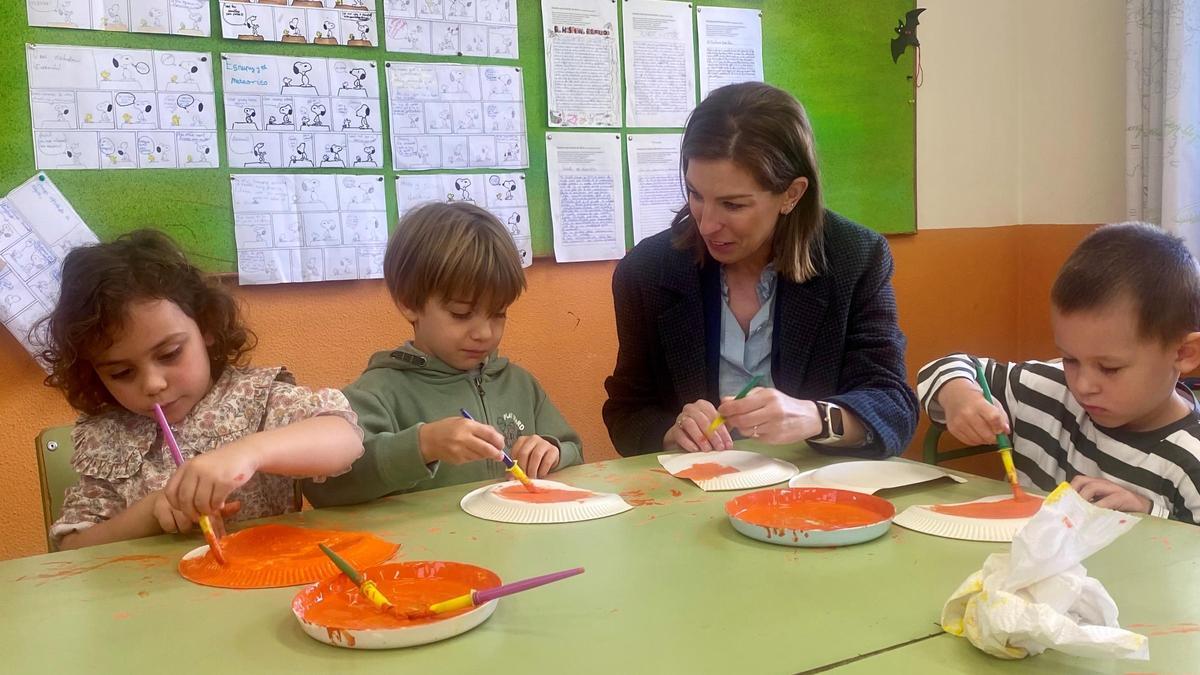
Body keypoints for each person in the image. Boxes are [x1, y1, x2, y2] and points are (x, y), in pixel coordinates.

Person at [603, 82, 917, 457]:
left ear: (791, 195)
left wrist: (816, 417)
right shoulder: (647, 271)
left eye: (733, 205)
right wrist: (672, 432)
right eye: (696, 194)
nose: (706, 224)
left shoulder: (856, 258)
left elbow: (893, 406)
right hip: (694, 485)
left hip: (818, 484)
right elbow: (627, 411)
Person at [37, 230, 363, 550]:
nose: (152, 384)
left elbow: (345, 437)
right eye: (121, 372)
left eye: (169, 354)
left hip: (264, 576)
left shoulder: (255, 398)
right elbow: (73, 547)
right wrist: (149, 513)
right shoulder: (107, 436)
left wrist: (249, 452)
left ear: (205, 327)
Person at [303, 202, 583, 507]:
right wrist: (422, 446)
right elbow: (325, 487)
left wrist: (554, 452)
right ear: (409, 303)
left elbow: (574, 450)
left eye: (498, 314)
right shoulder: (377, 393)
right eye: (461, 314)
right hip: (422, 539)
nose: (484, 333)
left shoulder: (520, 385)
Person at [918, 223, 1200, 522]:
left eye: (1110, 368)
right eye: (1070, 359)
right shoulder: (1047, 390)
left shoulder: (1191, 460)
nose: (1083, 385)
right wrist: (960, 396)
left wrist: (1149, 514)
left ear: (1184, 354)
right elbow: (944, 368)